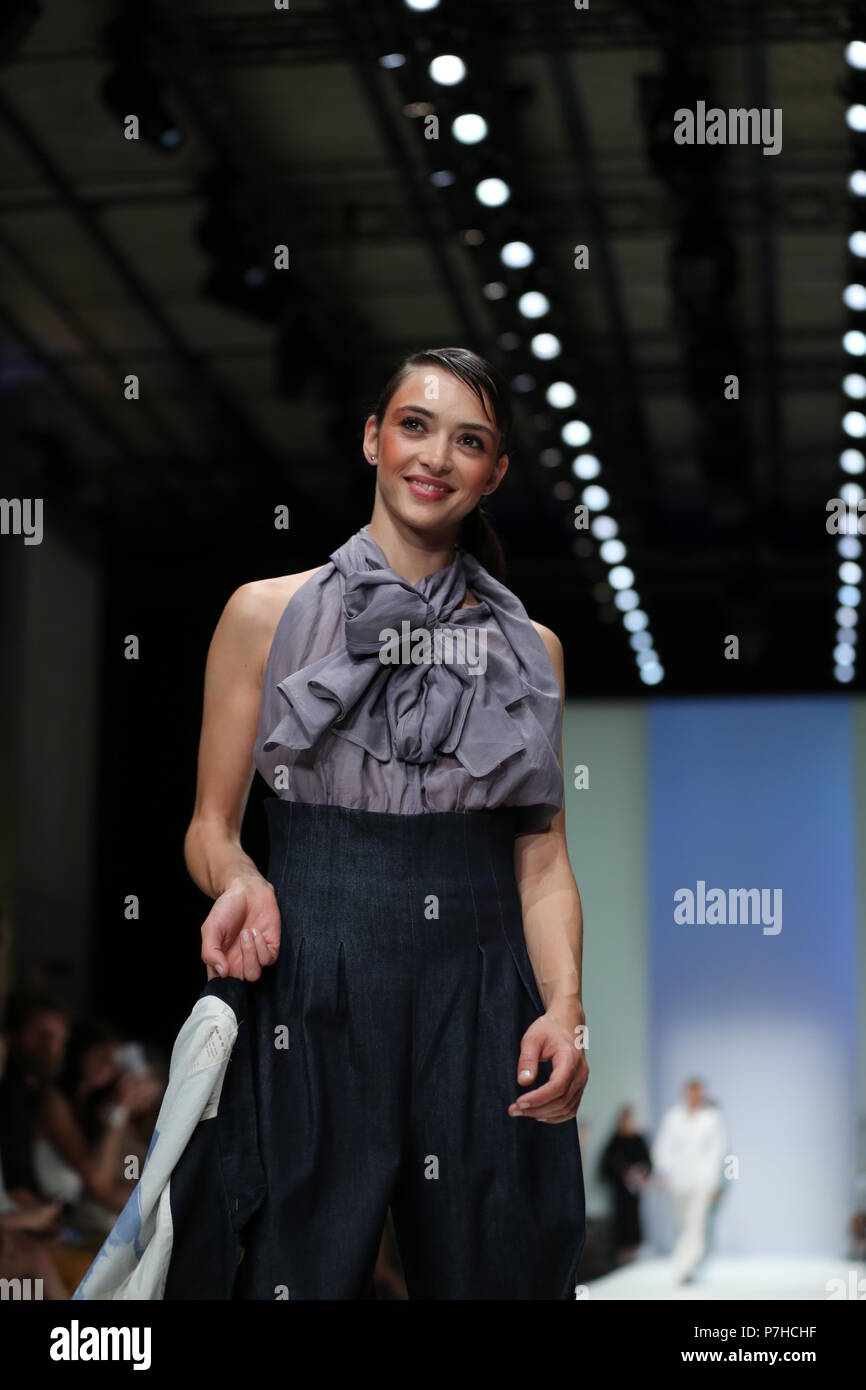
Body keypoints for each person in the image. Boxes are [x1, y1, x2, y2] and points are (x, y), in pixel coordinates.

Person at [125, 345, 589, 1299]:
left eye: (469, 442)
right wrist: (242, 880)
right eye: (414, 426)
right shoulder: (265, 614)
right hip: (313, 983)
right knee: (294, 1270)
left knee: (499, 1274)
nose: (435, 457)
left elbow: (541, 861)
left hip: (480, 999)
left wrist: (567, 1007)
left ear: (494, 473)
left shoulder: (531, 650)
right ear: (374, 438)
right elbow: (210, 828)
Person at [652, 1077, 727, 1284]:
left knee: (697, 1223)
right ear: (685, 1092)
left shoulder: (712, 1118)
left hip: (702, 1179)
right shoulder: (673, 1117)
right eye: (691, 1091)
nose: (694, 1095)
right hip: (677, 1179)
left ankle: (684, 1267)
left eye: (698, 1091)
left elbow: (717, 1151)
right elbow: (663, 1146)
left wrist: (715, 1183)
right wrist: (663, 1172)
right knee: (683, 1223)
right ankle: (687, 1265)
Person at [598, 1104, 652, 1264]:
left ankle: (634, 1250)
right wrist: (624, 1172)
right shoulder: (615, 1140)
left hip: (635, 1190)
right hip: (620, 1190)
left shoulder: (638, 1139)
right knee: (621, 1219)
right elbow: (606, 1165)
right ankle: (621, 1252)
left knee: (634, 1218)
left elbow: (648, 1163)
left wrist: (640, 1174)